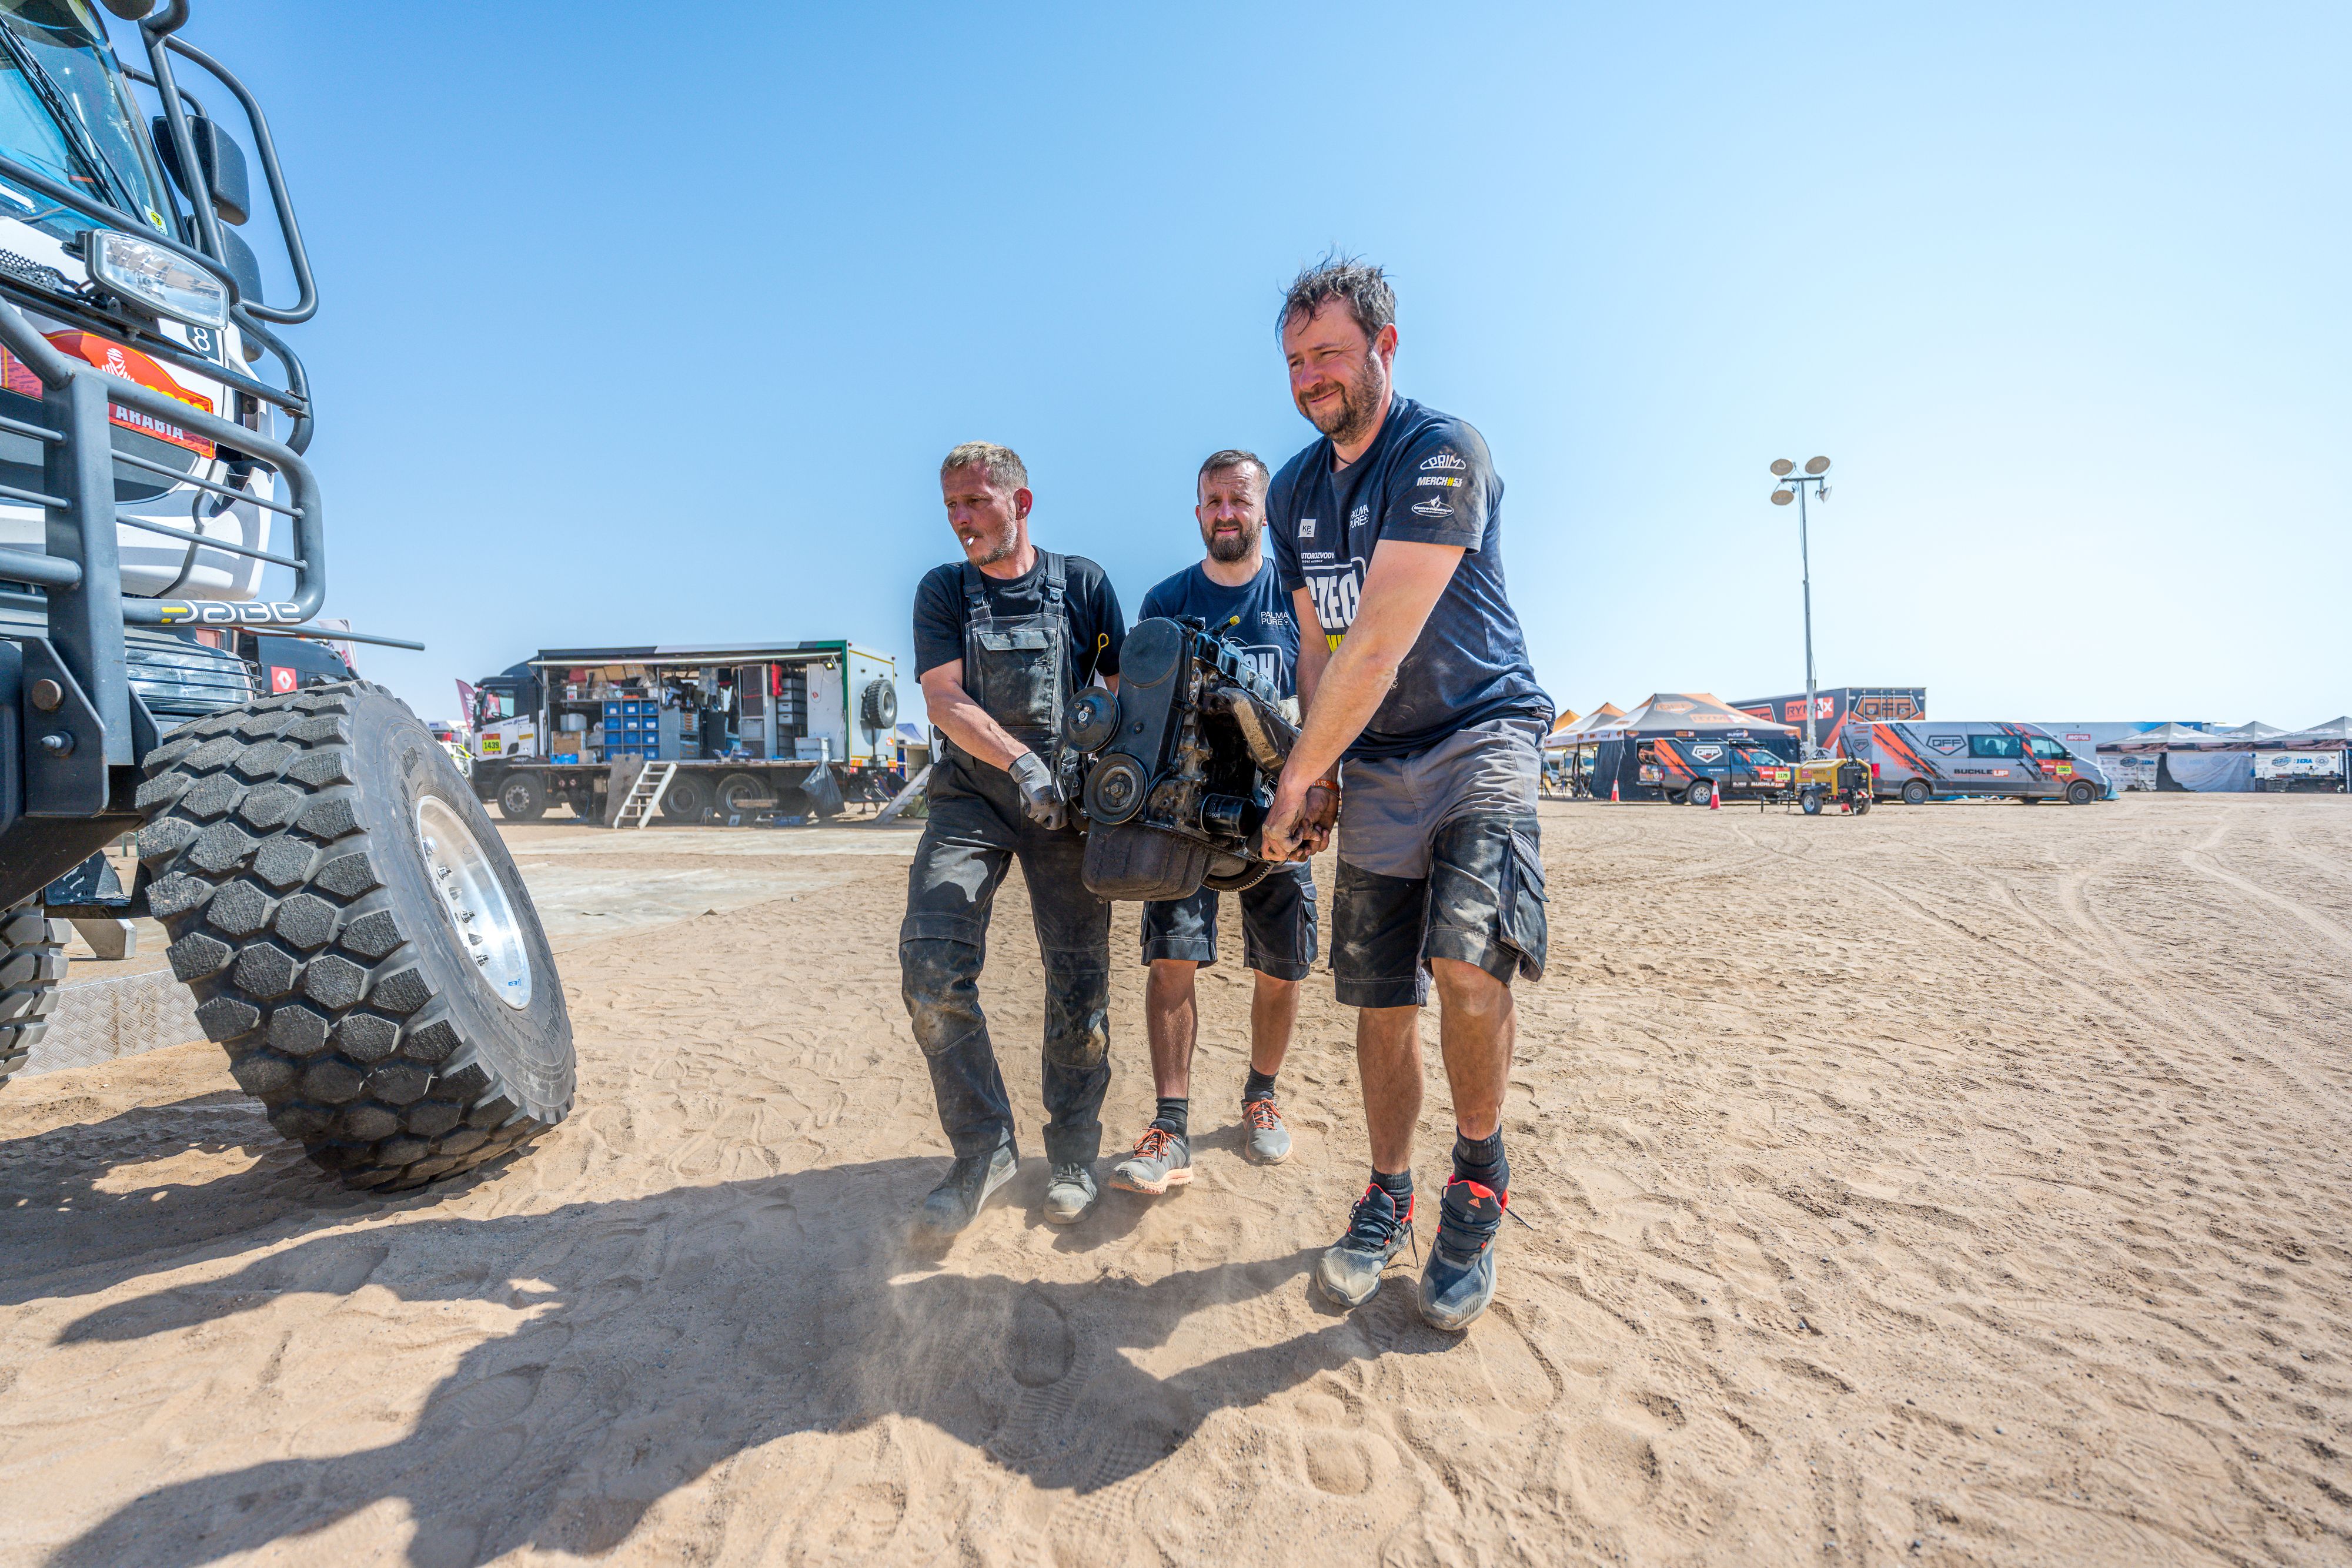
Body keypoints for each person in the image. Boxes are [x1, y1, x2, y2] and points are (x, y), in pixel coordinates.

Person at [1259, 256, 1553, 1332]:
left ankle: (1477, 1181)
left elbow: (1379, 639)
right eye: (1296, 360)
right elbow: (1317, 643)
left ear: (1385, 346)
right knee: (1379, 998)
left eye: (1330, 353)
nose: (1311, 377)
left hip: (1480, 732)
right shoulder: (1293, 490)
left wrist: (1295, 777)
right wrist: (1326, 769)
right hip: (1377, 758)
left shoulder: (1442, 451)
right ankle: (1389, 1193)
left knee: (1467, 965)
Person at [900, 442, 1127, 1235]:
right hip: (971, 802)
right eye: (951, 507)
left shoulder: (1085, 586)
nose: (961, 520)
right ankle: (984, 1149)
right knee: (931, 969)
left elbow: (1120, 697)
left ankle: (1072, 1154)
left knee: (1078, 984)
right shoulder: (944, 591)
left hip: (1065, 810)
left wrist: (1104, 784)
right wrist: (1021, 761)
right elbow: (943, 699)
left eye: (976, 502)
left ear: (1020, 503)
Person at [1107, 450, 1317, 1199]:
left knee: (1282, 965)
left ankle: (1261, 1095)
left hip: (1277, 812)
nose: (1226, 513)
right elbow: (1139, 715)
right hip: (1184, 817)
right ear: (1198, 512)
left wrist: (1312, 792)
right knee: (1172, 958)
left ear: (1263, 511)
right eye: (1213, 501)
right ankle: (1171, 1126)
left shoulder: (1295, 597)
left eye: (1239, 500)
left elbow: (1319, 701)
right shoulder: (1165, 600)